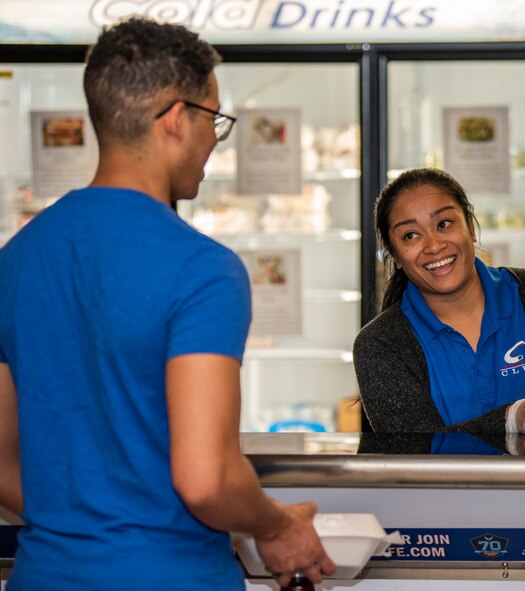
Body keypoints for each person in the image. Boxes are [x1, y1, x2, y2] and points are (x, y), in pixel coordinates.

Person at [0, 18, 334, 590]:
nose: (214, 139)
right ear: (178, 120)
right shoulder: (201, 268)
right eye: (215, 119)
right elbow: (206, 479)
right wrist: (276, 525)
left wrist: (90, 523)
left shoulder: (16, 259)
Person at [353, 167, 525, 434]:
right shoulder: (381, 345)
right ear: (394, 255)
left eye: (444, 224)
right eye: (411, 235)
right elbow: (413, 451)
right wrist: (512, 419)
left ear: (471, 227)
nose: (434, 245)